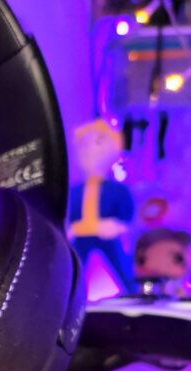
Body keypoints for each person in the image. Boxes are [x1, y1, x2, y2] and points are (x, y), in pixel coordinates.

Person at [68, 119, 136, 293]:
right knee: (76, 270)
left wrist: (118, 226)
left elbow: (127, 213)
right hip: (81, 234)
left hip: (106, 234)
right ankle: (73, 296)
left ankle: (132, 292)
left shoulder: (117, 190)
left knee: (120, 264)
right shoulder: (75, 191)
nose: (89, 149)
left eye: (97, 142)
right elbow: (70, 213)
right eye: (84, 145)